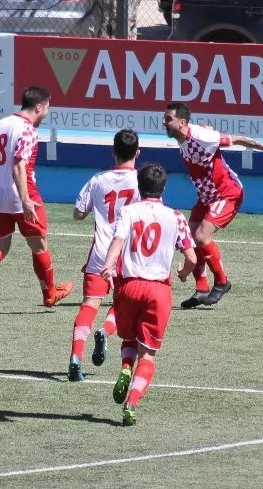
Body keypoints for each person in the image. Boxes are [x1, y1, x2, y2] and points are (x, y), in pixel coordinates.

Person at [0, 86, 73, 311]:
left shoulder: (0, 124)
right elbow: (19, 166)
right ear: (38, 107)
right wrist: (25, 199)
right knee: (39, 245)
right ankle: (49, 294)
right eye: (47, 107)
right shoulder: (28, 130)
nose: (47, 112)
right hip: (23, 195)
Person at [101, 163, 197, 426]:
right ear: (163, 189)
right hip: (158, 290)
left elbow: (118, 240)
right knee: (148, 354)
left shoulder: (129, 211)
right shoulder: (175, 217)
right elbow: (191, 257)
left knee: (129, 338)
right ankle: (131, 403)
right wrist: (184, 272)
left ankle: (125, 368)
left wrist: (108, 266)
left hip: (129, 286)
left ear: (139, 187)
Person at [162, 102, 263, 308]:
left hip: (226, 194)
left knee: (201, 236)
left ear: (182, 122)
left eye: (168, 119)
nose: (163, 123)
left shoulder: (200, 137)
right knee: (190, 238)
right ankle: (201, 288)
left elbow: (237, 139)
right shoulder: (185, 138)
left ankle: (221, 282)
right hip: (206, 196)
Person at [67, 129, 140, 382]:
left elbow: (78, 213)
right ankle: (106, 331)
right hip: (128, 255)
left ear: (113, 152)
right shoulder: (141, 181)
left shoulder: (97, 180)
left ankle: (75, 357)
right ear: (137, 153)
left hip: (100, 253)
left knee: (89, 304)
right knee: (124, 305)